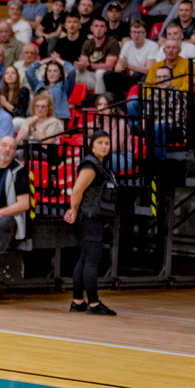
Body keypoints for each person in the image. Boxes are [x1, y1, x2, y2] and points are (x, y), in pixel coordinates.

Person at [62, 130, 118, 314]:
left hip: (91, 216)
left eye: (107, 143)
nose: (104, 146)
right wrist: (73, 210)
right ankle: (93, 303)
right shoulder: (90, 166)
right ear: (92, 146)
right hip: (90, 216)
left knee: (85, 257)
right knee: (92, 260)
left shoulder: (100, 165)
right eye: (100, 142)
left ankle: (78, 301)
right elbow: (77, 191)